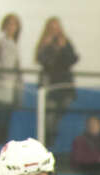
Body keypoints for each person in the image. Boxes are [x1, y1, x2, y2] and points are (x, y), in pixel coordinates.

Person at [35, 17, 77, 150]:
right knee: (49, 115)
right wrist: (47, 47)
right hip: (50, 85)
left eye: (56, 27)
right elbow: (43, 61)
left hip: (64, 86)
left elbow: (73, 59)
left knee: (58, 113)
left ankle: (51, 139)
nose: (54, 30)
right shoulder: (44, 43)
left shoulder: (66, 42)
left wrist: (63, 47)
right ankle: (47, 142)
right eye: (52, 28)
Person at [0, 12, 21, 146]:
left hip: (11, 85)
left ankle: (2, 143)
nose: (12, 27)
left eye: (14, 24)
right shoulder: (0, 42)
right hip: (0, 83)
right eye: (10, 24)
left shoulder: (15, 44)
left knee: (6, 117)